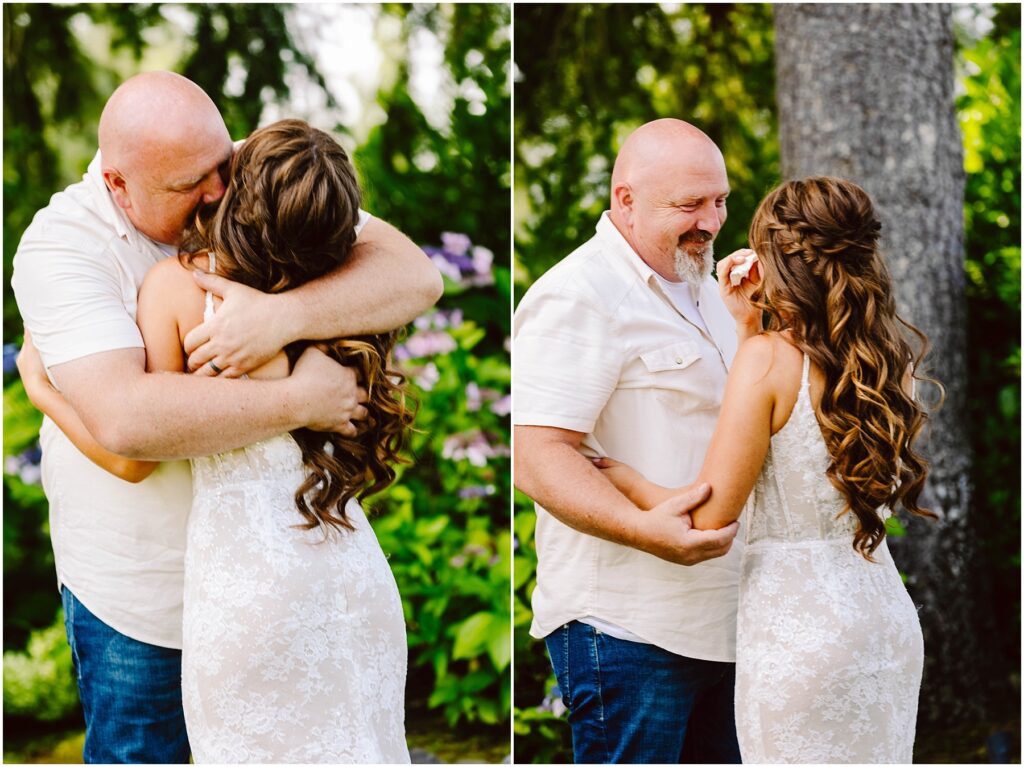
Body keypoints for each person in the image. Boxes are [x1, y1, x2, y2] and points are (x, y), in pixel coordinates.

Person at [12, 71, 441, 763]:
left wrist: (283, 316)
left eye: (222, 165)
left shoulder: (252, 176)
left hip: (288, 575)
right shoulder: (61, 249)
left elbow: (416, 275)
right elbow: (128, 423)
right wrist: (301, 399)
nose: (217, 190)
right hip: (140, 602)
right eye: (193, 184)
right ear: (120, 184)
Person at [597, 176, 934, 762]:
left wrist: (621, 477)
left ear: (775, 259)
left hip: (799, 629)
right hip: (882, 616)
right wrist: (749, 329)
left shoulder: (768, 360)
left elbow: (711, 516)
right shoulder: (889, 362)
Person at [513, 119, 756, 763]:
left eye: (720, 201)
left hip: (730, 621)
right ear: (625, 199)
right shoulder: (579, 295)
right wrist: (643, 527)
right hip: (629, 628)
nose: (710, 221)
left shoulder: (713, 290)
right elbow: (536, 457)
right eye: (688, 205)